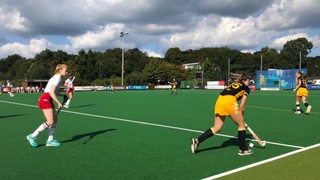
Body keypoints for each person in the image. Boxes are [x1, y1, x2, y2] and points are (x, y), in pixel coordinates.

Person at [191, 73, 253, 156]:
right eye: (249, 80)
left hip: (219, 101)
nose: (249, 82)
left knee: (217, 127)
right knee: (241, 126)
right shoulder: (246, 88)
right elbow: (242, 105)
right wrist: (242, 117)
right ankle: (243, 150)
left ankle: (197, 140)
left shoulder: (233, 84)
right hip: (229, 101)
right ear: (245, 80)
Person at [26, 64, 68, 147]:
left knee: (54, 120)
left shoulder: (58, 78)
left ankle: (50, 141)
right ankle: (32, 136)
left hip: (49, 99)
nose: (67, 72)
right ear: (60, 70)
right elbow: (51, 92)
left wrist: (63, 95)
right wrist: (58, 102)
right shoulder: (57, 78)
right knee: (50, 121)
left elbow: (55, 92)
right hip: (45, 99)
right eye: (65, 70)